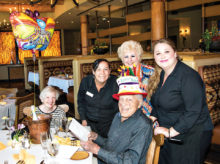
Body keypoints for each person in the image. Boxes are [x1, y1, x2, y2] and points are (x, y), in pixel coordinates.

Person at [149, 38, 213, 164]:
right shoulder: (163, 74)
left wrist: (170, 132)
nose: (162, 56)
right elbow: (159, 102)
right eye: (158, 53)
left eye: (166, 51)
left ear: (175, 53)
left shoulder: (188, 76)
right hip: (171, 131)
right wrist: (151, 118)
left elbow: (193, 112)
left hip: (192, 133)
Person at [81, 76, 153, 164]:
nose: (123, 104)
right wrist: (96, 137)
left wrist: (97, 150)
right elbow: (110, 144)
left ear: (139, 104)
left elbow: (131, 160)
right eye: (121, 99)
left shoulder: (143, 125)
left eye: (129, 99)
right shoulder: (118, 116)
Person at [117, 40, 159, 126]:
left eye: (133, 56)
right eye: (126, 57)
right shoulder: (122, 74)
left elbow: (159, 97)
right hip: (130, 117)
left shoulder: (150, 72)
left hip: (150, 117)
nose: (129, 60)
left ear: (139, 57)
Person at [77, 59, 119, 138]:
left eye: (105, 69)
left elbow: (119, 107)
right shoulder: (86, 82)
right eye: (98, 69)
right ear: (93, 71)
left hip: (109, 125)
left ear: (109, 71)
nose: (102, 73)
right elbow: (81, 102)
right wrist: (83, 119)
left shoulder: (116, 83)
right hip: (89, 123)